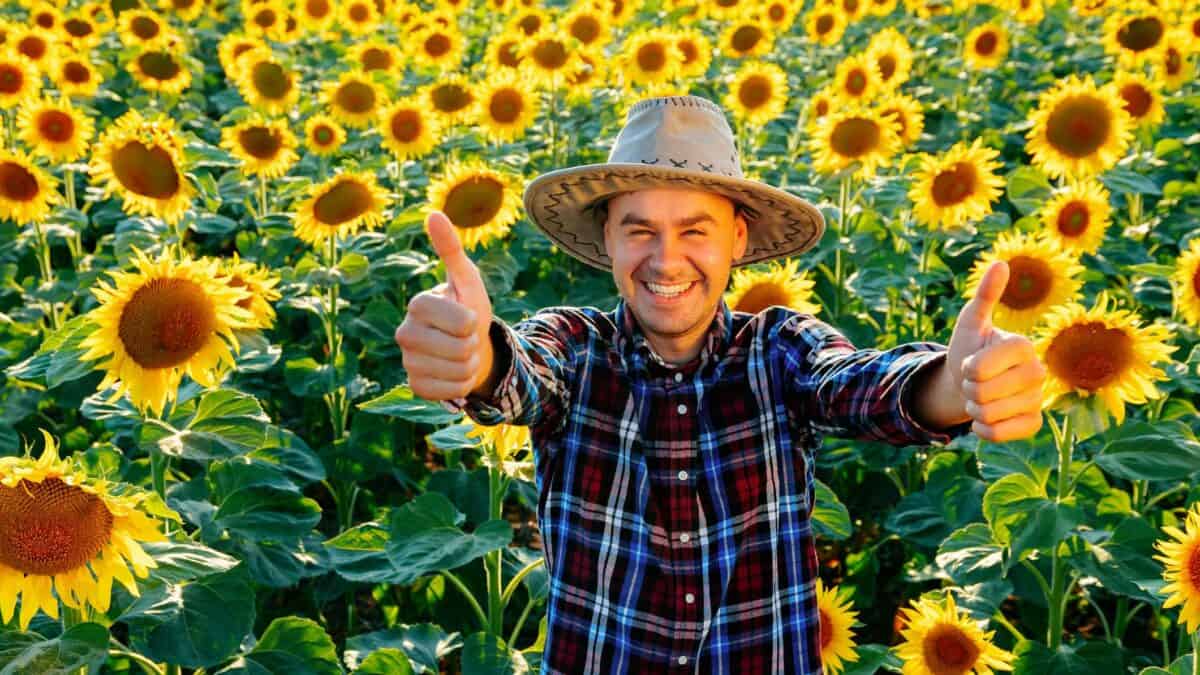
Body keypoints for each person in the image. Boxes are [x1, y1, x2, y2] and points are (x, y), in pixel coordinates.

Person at [394, 95, 1045, 673]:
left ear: (737, 238)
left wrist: (953, 387)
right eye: (639, 229)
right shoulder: (577, 346)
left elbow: (860, 384)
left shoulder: (779, 350)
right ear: (608, 241)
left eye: (694, 231)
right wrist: (475, 359)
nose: (666, 259)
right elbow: (521, 376)